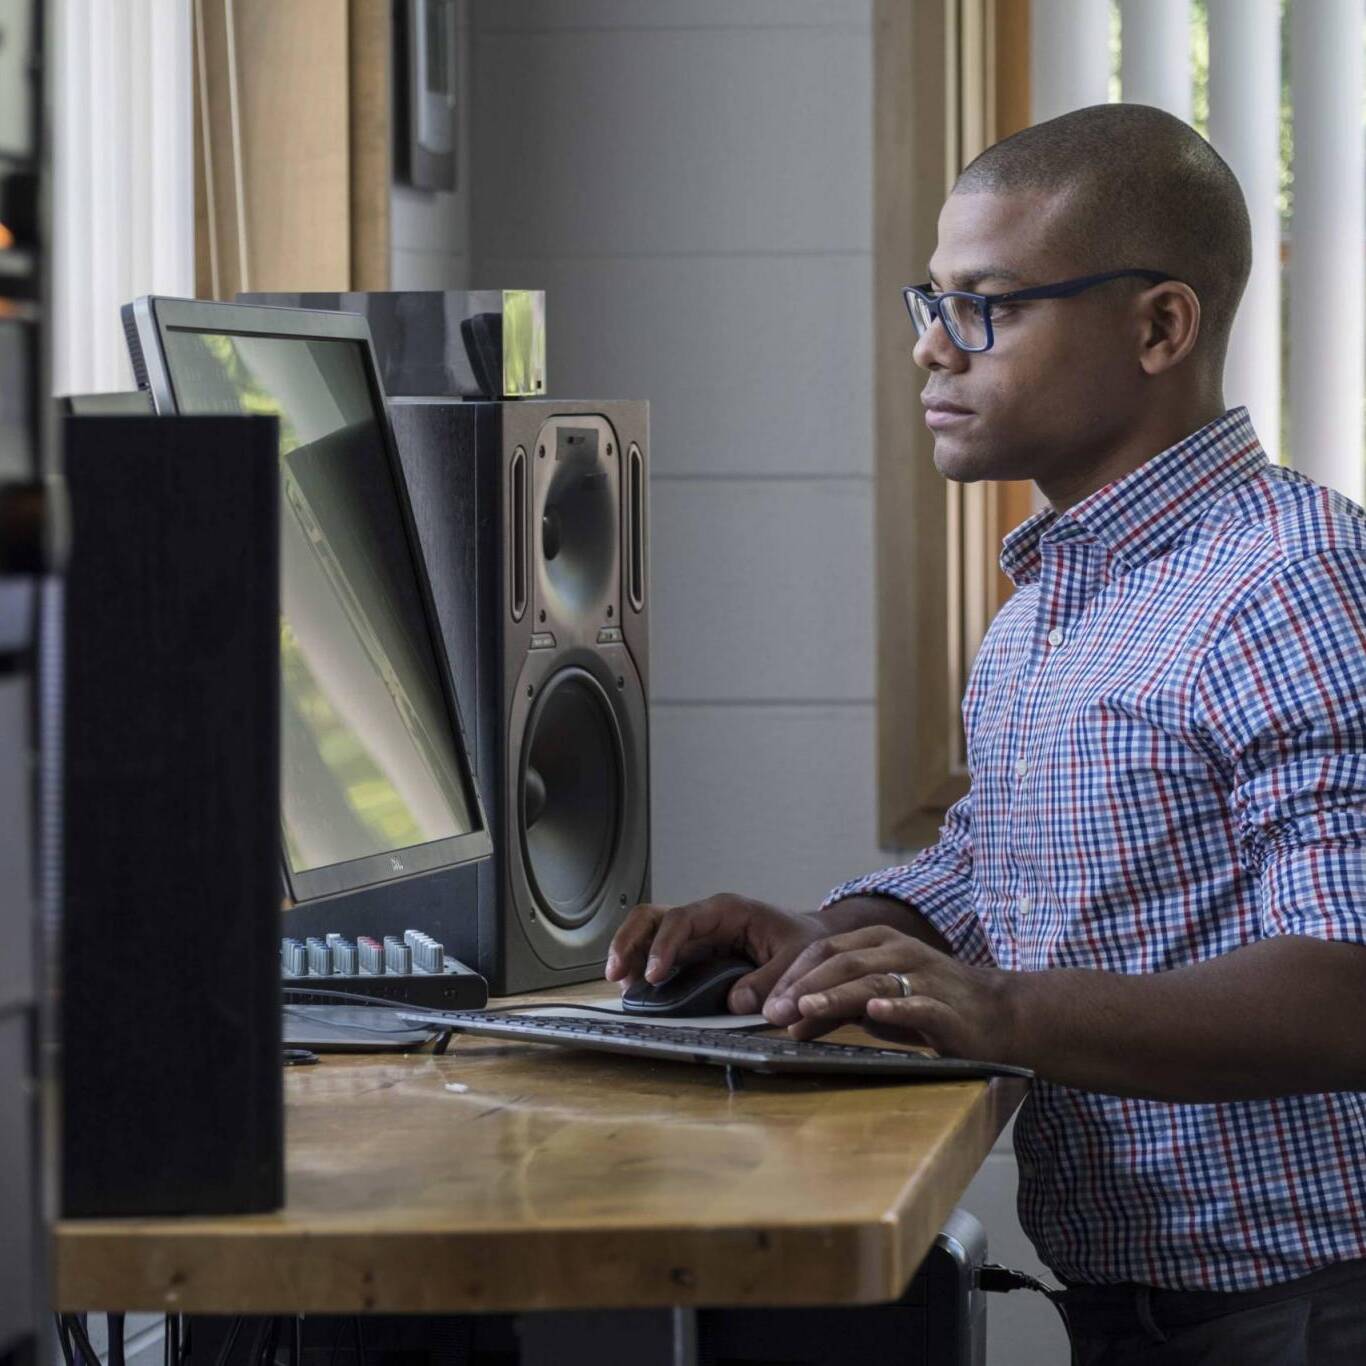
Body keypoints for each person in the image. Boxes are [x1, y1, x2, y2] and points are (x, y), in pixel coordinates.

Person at [606, 104, 1366, 1364]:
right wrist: (843, 941)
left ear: (1159, 326)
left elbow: (1349, 983)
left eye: (987, 307)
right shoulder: (1053, 603)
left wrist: (998, 1011)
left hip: (1309, 1314)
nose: (929, 353)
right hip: (1151, 1313)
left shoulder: (1292, 583)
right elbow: (1000, 861)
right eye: (930, 303)